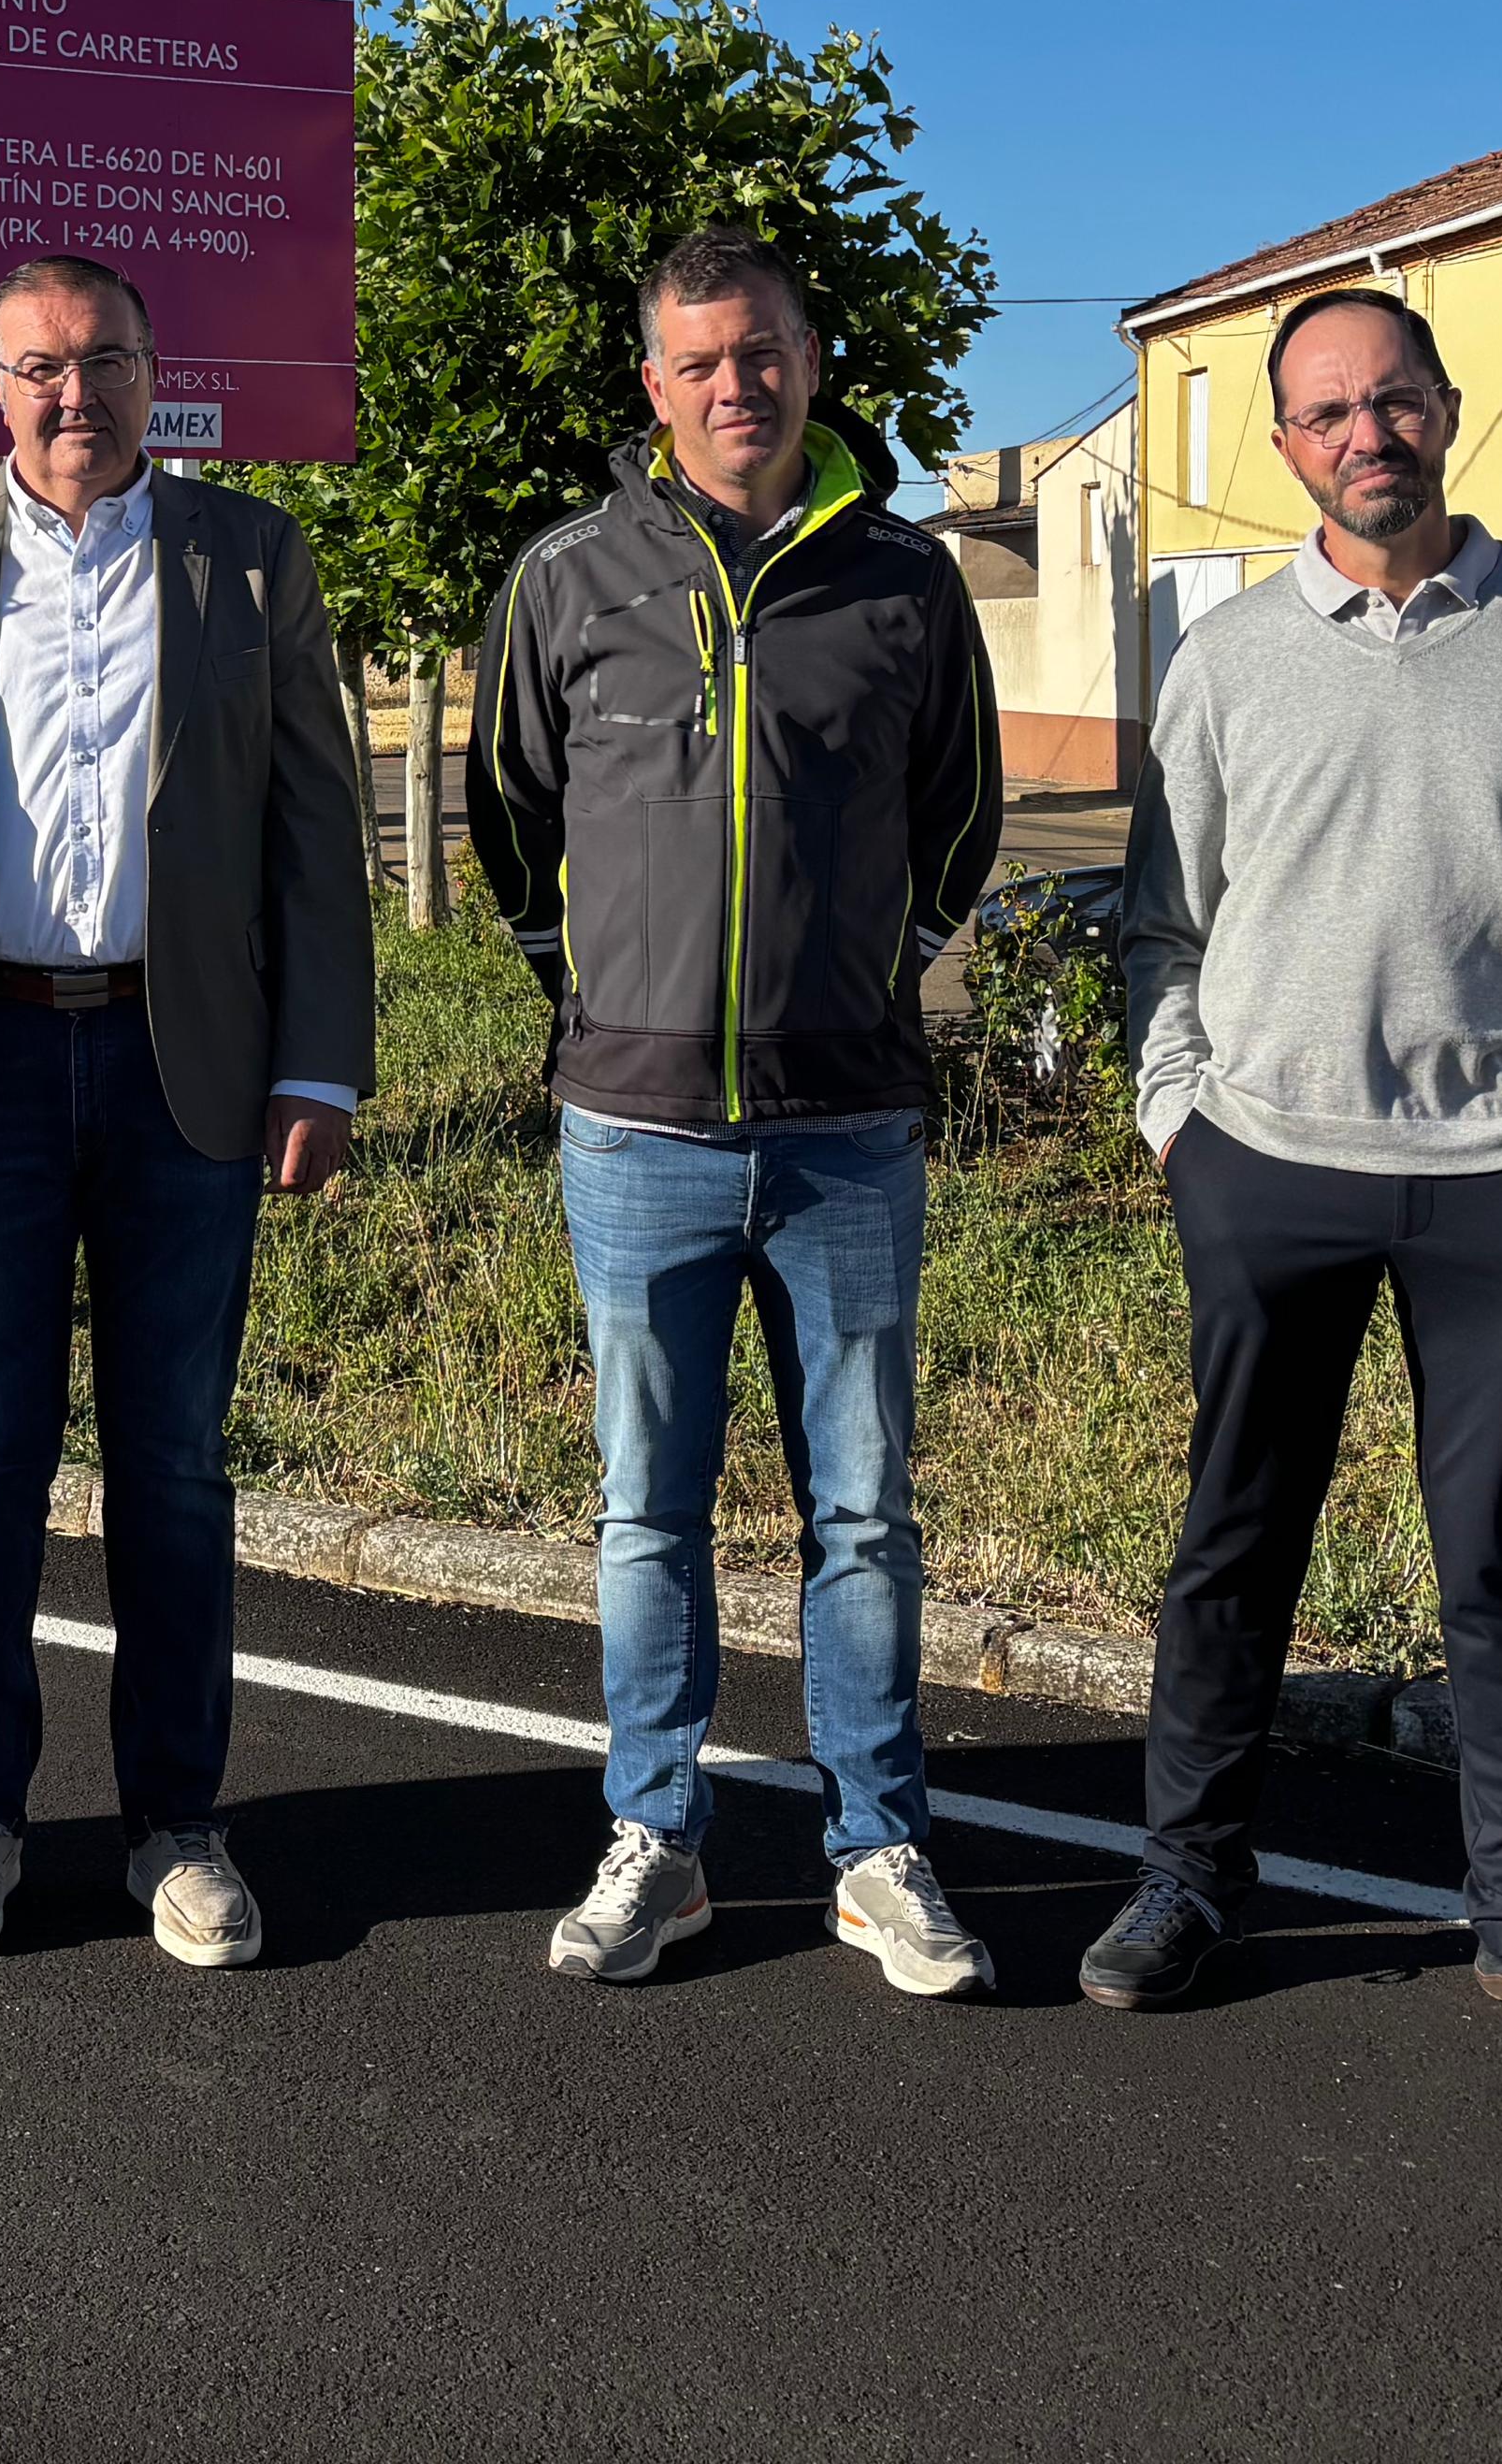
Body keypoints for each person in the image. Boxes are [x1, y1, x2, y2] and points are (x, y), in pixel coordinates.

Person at [1083, 287, 1502, 2067]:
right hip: (1267, 1164)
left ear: (1447, 410)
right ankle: (1187, 1878)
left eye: (1395, 400)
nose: (1368, 435)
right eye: (1329, 412)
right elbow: (1161, 921)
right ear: (1287, 447)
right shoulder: (1227, 661)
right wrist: (1179, 1118)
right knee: (1234, 1539)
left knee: (1499, 1553)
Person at [0, 253, 369, 1970]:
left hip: (178, 1061)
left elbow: (312, 827)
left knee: (178, 1467)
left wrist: (318, 1061)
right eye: (39, 367)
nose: (74, 395)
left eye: (105, 361)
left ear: (153, 371)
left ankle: (176, 1823)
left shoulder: (247, 555)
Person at [466, 228, 1006, 1993]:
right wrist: (605, 1000)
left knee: (862, 1509)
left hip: (848, 1130)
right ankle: (659, 1836)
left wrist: (865, 989)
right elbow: (509, 822)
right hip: (631, 1137)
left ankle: (877, 1840)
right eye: (698, 362)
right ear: (654, 386)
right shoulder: (566, 577)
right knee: (648, 1509)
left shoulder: (909, 585)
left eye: (761, 352)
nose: (733, 386)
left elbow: (965, 827)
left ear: (810, 359)